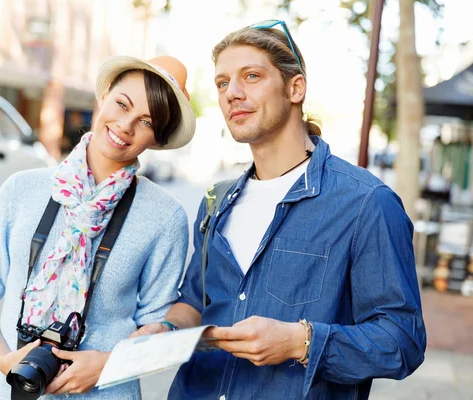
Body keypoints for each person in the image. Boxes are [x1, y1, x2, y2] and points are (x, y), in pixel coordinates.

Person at [133, 21, 426, 399]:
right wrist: (168, 329)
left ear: (295, 88)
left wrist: (298, 342)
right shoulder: (216, 201)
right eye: (222, 83)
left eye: (251, 76)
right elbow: (195, 300)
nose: (232, 94)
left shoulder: (366, 203)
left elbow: (402, 340)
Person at [0, 55, 196, 400]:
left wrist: (109, 365)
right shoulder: (21, 190)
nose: (125, 125)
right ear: (105, 95)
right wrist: (5, 360)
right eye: (122, 104)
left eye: (146, 121)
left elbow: (157, 328)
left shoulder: (165, 216)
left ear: (158, 138)